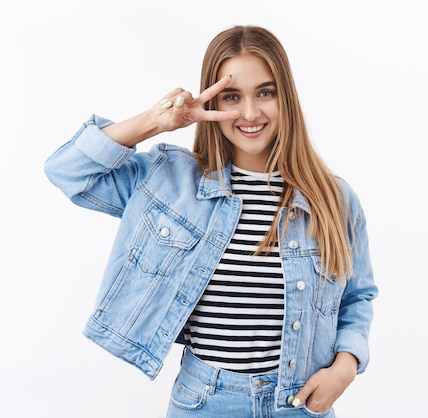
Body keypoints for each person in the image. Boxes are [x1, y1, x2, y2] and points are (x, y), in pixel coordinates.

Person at [44, 25, 377, 418]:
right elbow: (68, 171)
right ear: (212, 100)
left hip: (299, 403)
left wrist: (346, 366)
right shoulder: (169, 183)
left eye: (265, 93)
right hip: (204, 402)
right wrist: (156, 121)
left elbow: (358, 296)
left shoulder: (333, 199)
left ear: (286, 97)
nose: (250, 113)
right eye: (232, 96)